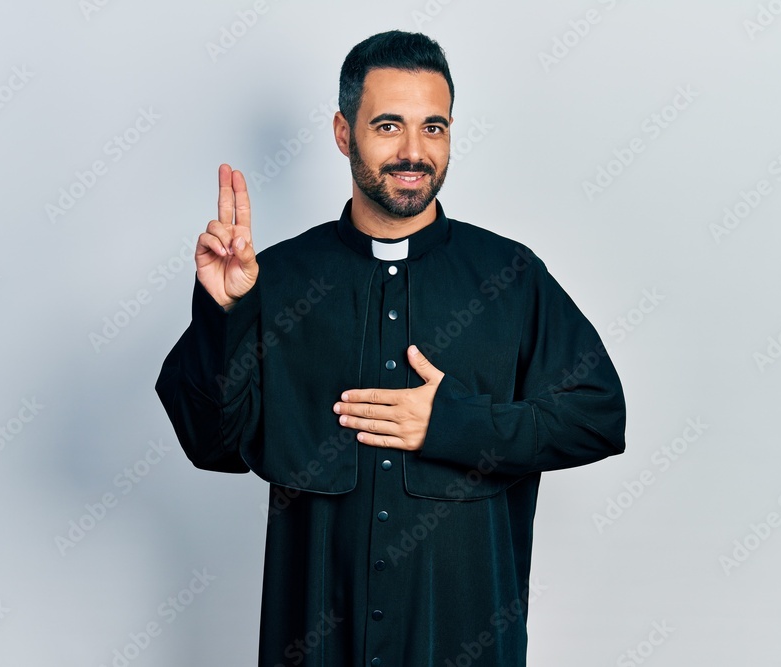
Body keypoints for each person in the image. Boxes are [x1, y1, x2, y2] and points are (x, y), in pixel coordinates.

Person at [155, 29, 626, 667]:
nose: (413, 151)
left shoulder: (510, 277)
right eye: (388, 126)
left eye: (434, 127)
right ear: (344, 133)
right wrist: (228, 311)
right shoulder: (280, 279)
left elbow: (598, 416)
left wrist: (454, 423)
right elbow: (211, 443)